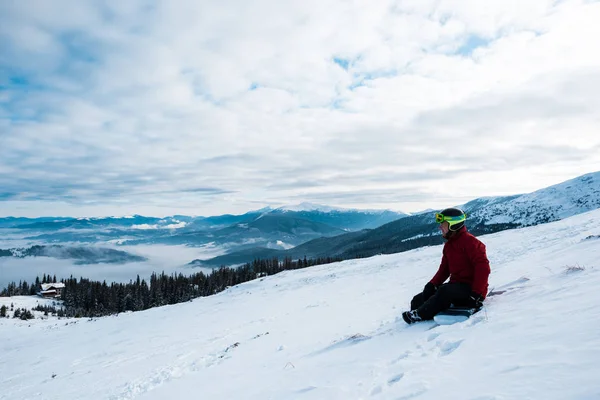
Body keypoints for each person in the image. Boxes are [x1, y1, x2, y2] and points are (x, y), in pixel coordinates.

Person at [402, 207, 491, 324]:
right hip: (455, 287)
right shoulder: (449, 245)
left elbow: (483, 270)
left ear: (453, 225)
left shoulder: (472, 243)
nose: (440, 227)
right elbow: (444, 269)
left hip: (471, 291)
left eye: (443, 224)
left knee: (445, 291)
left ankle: (419, 315)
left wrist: (476, 294)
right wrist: (432, 285)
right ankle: (425, 309)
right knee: (418, 300)